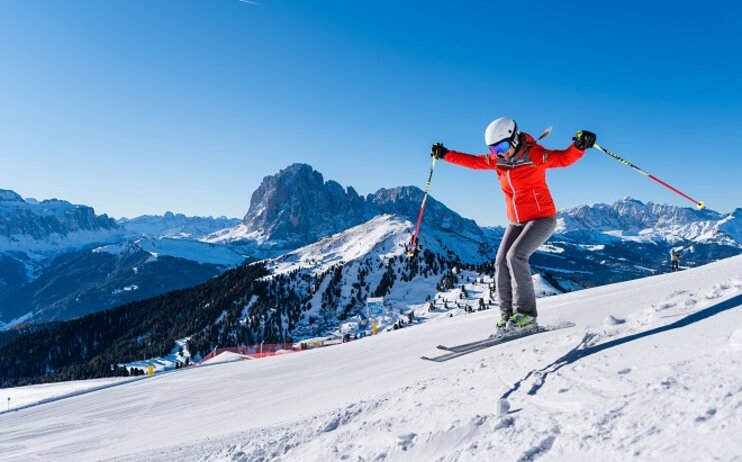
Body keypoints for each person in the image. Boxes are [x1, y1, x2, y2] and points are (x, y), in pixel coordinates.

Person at [431, 117, 595, 334]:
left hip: (542, 218)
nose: (499, 152)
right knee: (500, 262)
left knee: (515, 256)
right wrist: (445, 154)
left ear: (515, 138)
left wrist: (578, 146)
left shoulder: (534, 155)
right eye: (493, 148)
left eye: (502, 146)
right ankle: (508, 317)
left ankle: (526, 315)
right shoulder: (498, 160)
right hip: (516, 222)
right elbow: (472, 162)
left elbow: (563, 159)